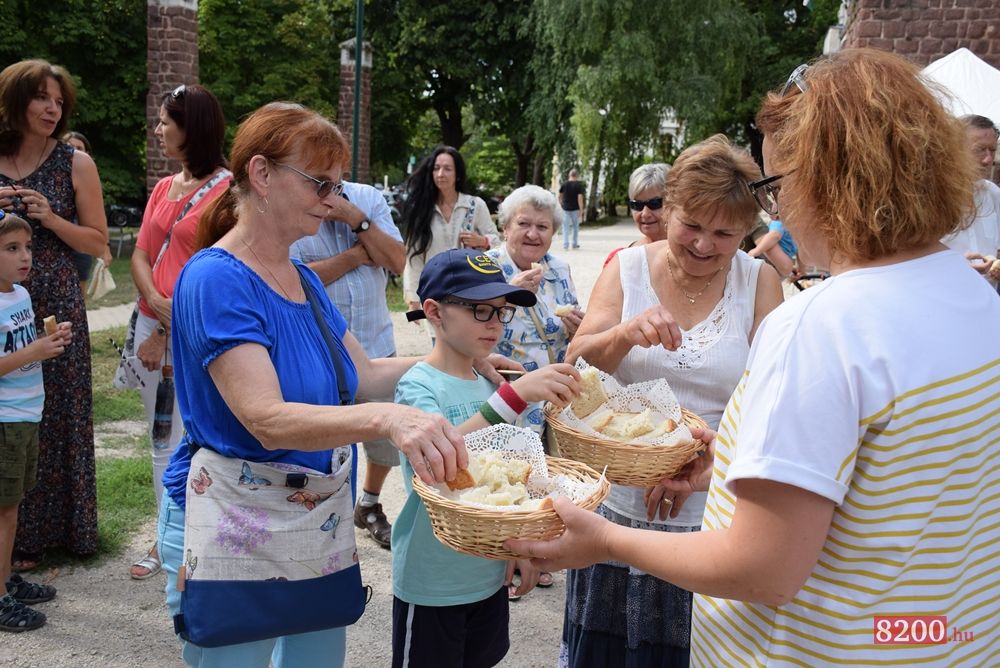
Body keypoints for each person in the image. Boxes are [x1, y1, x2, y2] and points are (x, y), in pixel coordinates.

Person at [509, 49, 1000, 666]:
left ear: (824, 179)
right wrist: (727, 459)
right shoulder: (974, 297)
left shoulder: (820, 325)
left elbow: (763, 568)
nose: (778, 210)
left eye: (776, 187)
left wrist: (607, 540)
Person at [158, 102, 515, 667]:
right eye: (319, 183)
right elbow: (265, 418)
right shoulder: (216, 278)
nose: (332, 200)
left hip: (311, 521)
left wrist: (463, 356)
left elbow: (365, 375)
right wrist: (389, 418)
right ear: (261, 174)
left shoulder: (301, 277)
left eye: (337, 185)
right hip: (236, 523)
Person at [560, 134, 783, 666]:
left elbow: (772, 400)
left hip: (713, 513)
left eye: (724, 233)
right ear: (671, 208)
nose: (704, 245)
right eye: (692, 226)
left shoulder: (759, 282)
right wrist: (624, 334)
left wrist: (705, 459)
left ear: (746, 230)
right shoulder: (628, 268)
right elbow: (575, 365)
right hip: (621, 503)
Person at [393, 248, 580, 668]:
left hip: (487, 578)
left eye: (501, 311)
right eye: (480, 310)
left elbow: (505, 487)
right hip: (433, 583)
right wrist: (512, 398)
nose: (495, 323)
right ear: (434, 312)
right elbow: (438, 463)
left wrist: (516, 549)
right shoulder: (418, 386)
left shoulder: (487, 382)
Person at [0, 59, 108, 571]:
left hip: (56, 299)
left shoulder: (74, 163)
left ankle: (62, 531)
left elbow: (99, 242)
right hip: (2, 302)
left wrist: (50, 217)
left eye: (59, 101)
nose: (52, 109)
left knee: (58, 411)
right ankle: (10, 537)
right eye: (42, 97)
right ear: (16, 100)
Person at [120, 84, 230, 581]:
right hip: (154, 323)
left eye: (165, 121)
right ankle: (167, 537)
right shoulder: (164, 187)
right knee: (162, 437)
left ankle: (195, 538)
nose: (157, 130)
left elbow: (217, 269)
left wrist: (167, 327)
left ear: (192, 128)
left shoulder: (227, 192)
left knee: (198, 435)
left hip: (191, 332)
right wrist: (155, 304)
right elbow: (141, 255)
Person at [290, 181, 406, 549]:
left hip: (376, 344)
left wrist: (357, 219)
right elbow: (292, 279)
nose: (330, 183)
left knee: (384, 445)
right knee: (323, 445)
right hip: (320, 354)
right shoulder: (296, 202)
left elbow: (397, 260)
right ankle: (320, 521)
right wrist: (355, 256)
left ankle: (368, 504)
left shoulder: (369, 198)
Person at [0, 212, 71, 632]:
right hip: (5, 420)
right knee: (4, 511)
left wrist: (49, 340)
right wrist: (34, 352)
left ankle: (6, 577)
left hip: (26, 415)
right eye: (11, 248)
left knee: (12, 506)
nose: (24, 256)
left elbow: (21, 348)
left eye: (27, 247)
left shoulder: (21, 295)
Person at [402, 145, 498, 315]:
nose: (441, 174)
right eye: (436, 168)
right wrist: (413, 299)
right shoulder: (421, 210)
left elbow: (498, 243)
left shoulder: (475, 205)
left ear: (458, 174)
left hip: (471, 291)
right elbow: (413, 257)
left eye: (447, 169)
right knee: (436, 332)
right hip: (434, 292)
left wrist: (483, 241)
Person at [942, 114, 1000, 287]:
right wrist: (956, 266)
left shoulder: (992, 193)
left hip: (988, 296)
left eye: (992, 150)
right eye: (980, 150)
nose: (988, 159)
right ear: (954, 149)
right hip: (947, 294)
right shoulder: (932, 198)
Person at [61, 131, 113, 295]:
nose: (74, 152)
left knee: (78, 295)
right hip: (55, 245)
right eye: (70, 147)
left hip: (81, 246)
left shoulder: (89, 180)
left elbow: (98, 219)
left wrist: (105, 248)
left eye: (79, 148)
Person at [604, 163, 671, 267]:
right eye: (637, 205)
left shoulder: (693, 258)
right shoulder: (618, 260)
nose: (645, 213)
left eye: (654, 203)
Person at [747, 213, 797, 278]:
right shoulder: (798, 229)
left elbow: (774, 235)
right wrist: (801, 268)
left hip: (771, 258)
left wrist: (757, 250)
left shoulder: (779, 221)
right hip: (784, 263)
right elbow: (801, 251)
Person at [558, 168, 585, 250]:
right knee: (575, 227)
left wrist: (561, 204)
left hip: (565, 209)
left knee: (565, 227)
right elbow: (580, 198)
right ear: (576, 176)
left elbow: (559, 196)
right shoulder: (578, 185)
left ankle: (565, 245)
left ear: (569, 175)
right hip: (575, 209)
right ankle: (574, 244)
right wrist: (581, 209)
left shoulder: (564, 184)